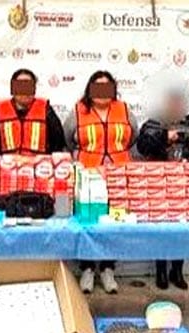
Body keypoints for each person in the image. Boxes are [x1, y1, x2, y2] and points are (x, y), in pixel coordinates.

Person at [136, 73, 189, 290]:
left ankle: (177, 270)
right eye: (172, 101)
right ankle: (161, 270)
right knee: (161, 229)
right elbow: (143, 146)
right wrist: (165, 138)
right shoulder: (155, 123)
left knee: (182, 230)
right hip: (160, 184)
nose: (175, 105)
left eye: (179, 101)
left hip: (186, 184)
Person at [64, 71, 138, 294]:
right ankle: (87, 269)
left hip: (118, 175)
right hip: (88, 176)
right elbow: (68, 139)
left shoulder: (124, 110)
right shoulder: (78, 111)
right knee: (88, 222)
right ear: (90, 90)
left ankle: (108, 268)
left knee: (114, 221)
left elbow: (133, 137)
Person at [0, 69, 67, 155]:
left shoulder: (46, 111)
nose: (24, 92)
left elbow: (58, 144)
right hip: (9, 162)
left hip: (39, 162)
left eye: (28, 87)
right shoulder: (1, 110)